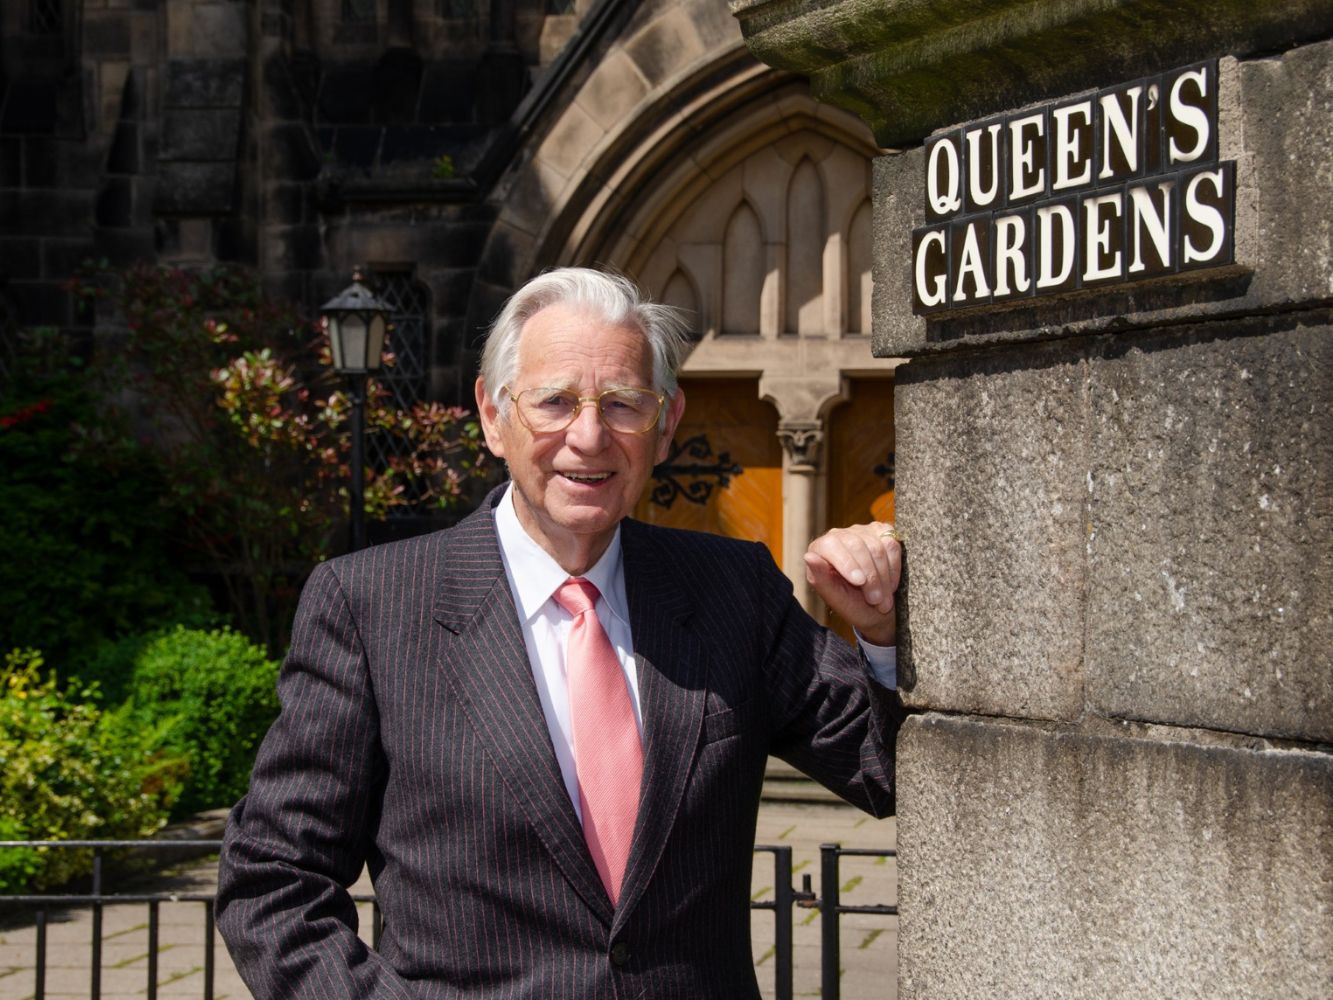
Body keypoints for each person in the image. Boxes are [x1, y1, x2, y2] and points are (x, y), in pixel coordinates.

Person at [215, 267, 906, 998]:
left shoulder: (731, 589)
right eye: (553, 402)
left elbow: (884, 769)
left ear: (666, 423)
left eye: (622, 404)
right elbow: (273, 877)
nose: (588, 436)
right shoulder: (372, 606)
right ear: (492, 415)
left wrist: (881, 633)